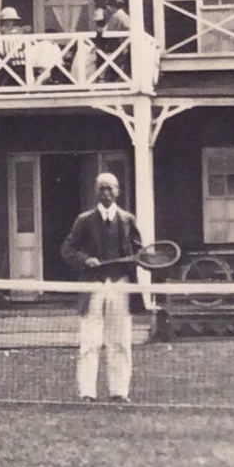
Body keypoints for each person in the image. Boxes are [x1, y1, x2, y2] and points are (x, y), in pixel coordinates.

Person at [60, 171, 141, 403]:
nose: (107, 193)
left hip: (120, 286)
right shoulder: (84, 220)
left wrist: (135, 259)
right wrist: (86, 259)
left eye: (111, 188)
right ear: (96, 192)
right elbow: (68, 249)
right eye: (102, 188)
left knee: (120, 341)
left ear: (118, 191)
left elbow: (140, 252)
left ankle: (119, 392)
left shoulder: (128, 220)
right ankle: (87, 392)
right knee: (90, 342)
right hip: (93, 286)